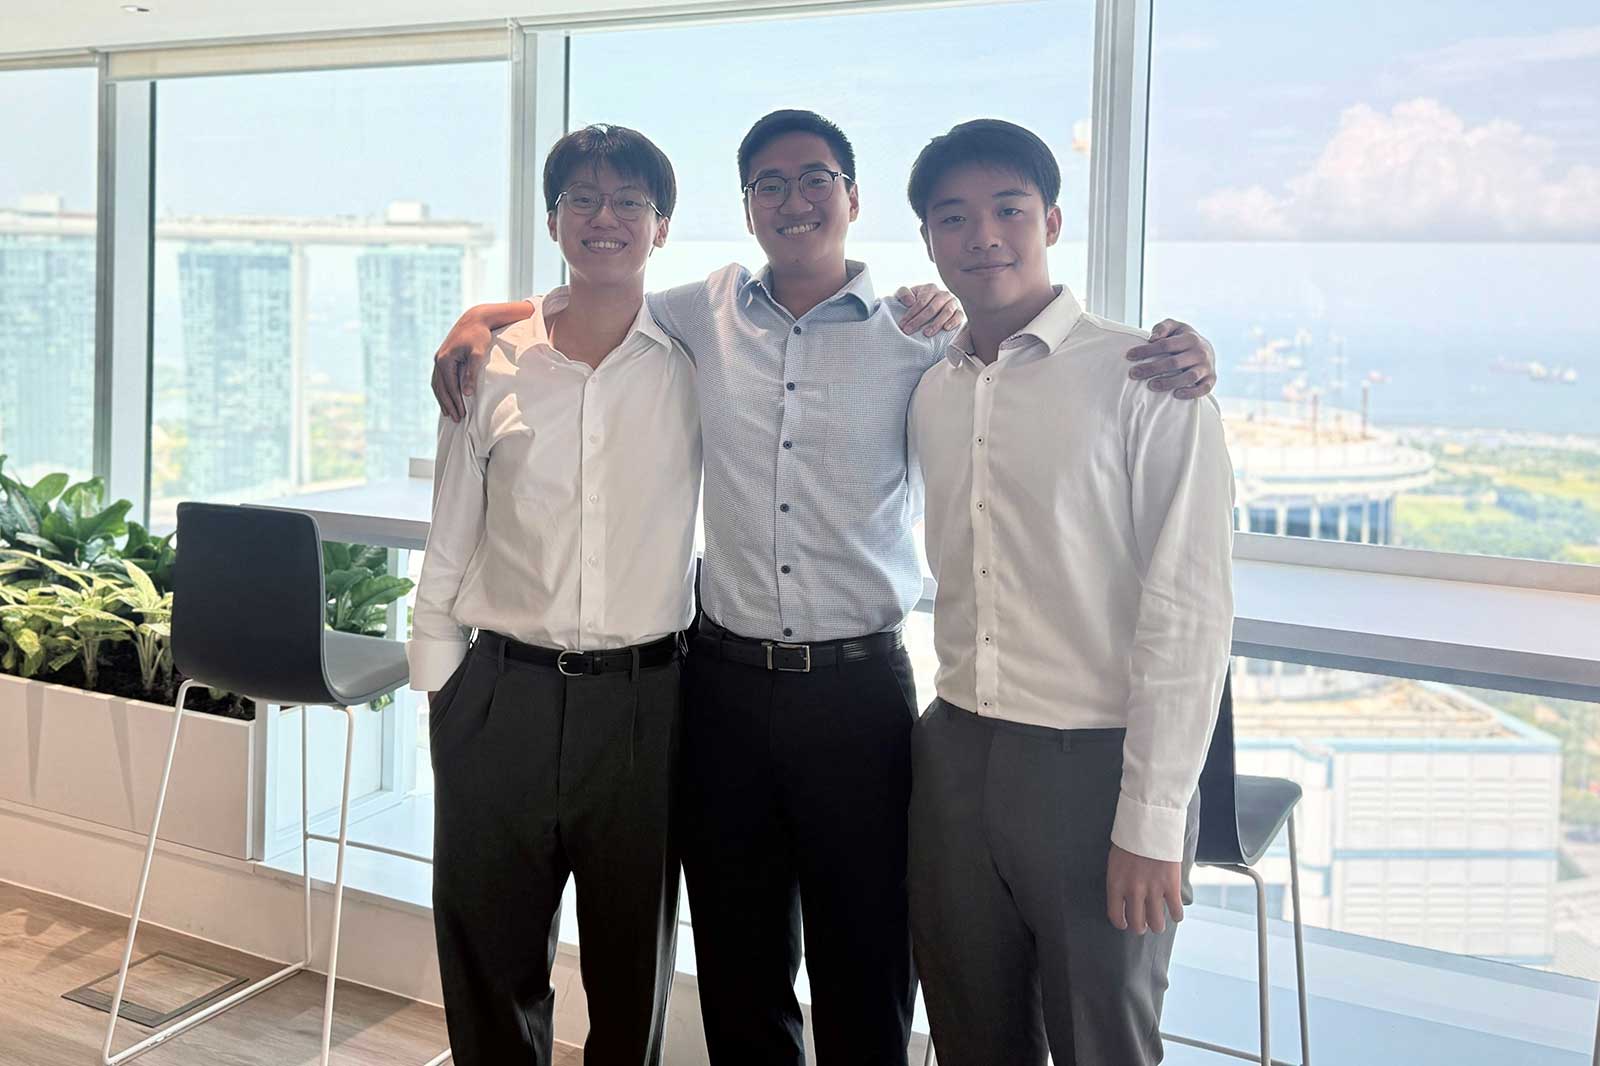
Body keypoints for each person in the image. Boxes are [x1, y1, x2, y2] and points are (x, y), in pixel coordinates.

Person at [429, 109, 1220, 1066]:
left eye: (815, 180)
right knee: (739, 963)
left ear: (854, 200)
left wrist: (1187, 356)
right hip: (721, 685)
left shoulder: (923, 338)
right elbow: (595, 292)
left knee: (869, 960)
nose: (794, 199)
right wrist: (481, 319)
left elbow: (1040, 361)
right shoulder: (698, 316)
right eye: (770, 184)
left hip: (860, 694)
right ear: (747, 208)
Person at [904, 118, 1236, 1066]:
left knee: (1104, 1040)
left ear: (1051, 217)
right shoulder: (932, 387)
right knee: (971, 1030)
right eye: (952, 218)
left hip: (1096, 766)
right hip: (956, 748)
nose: (984, 236)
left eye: (1008, 209)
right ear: (928, 239)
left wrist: (1152, 817)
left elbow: (1191, 609)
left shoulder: (1148, 378)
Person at [406, 124, 699, 1066]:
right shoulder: (490, 361)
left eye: (629, 203)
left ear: (662, 225)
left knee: (630, 970)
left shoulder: (698, 356)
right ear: (553, 217)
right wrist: (443, 693)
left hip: (645, 703)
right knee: (489, 961)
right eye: (582, 198)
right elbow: (452, 527)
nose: (605, 218)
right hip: (501, 695)